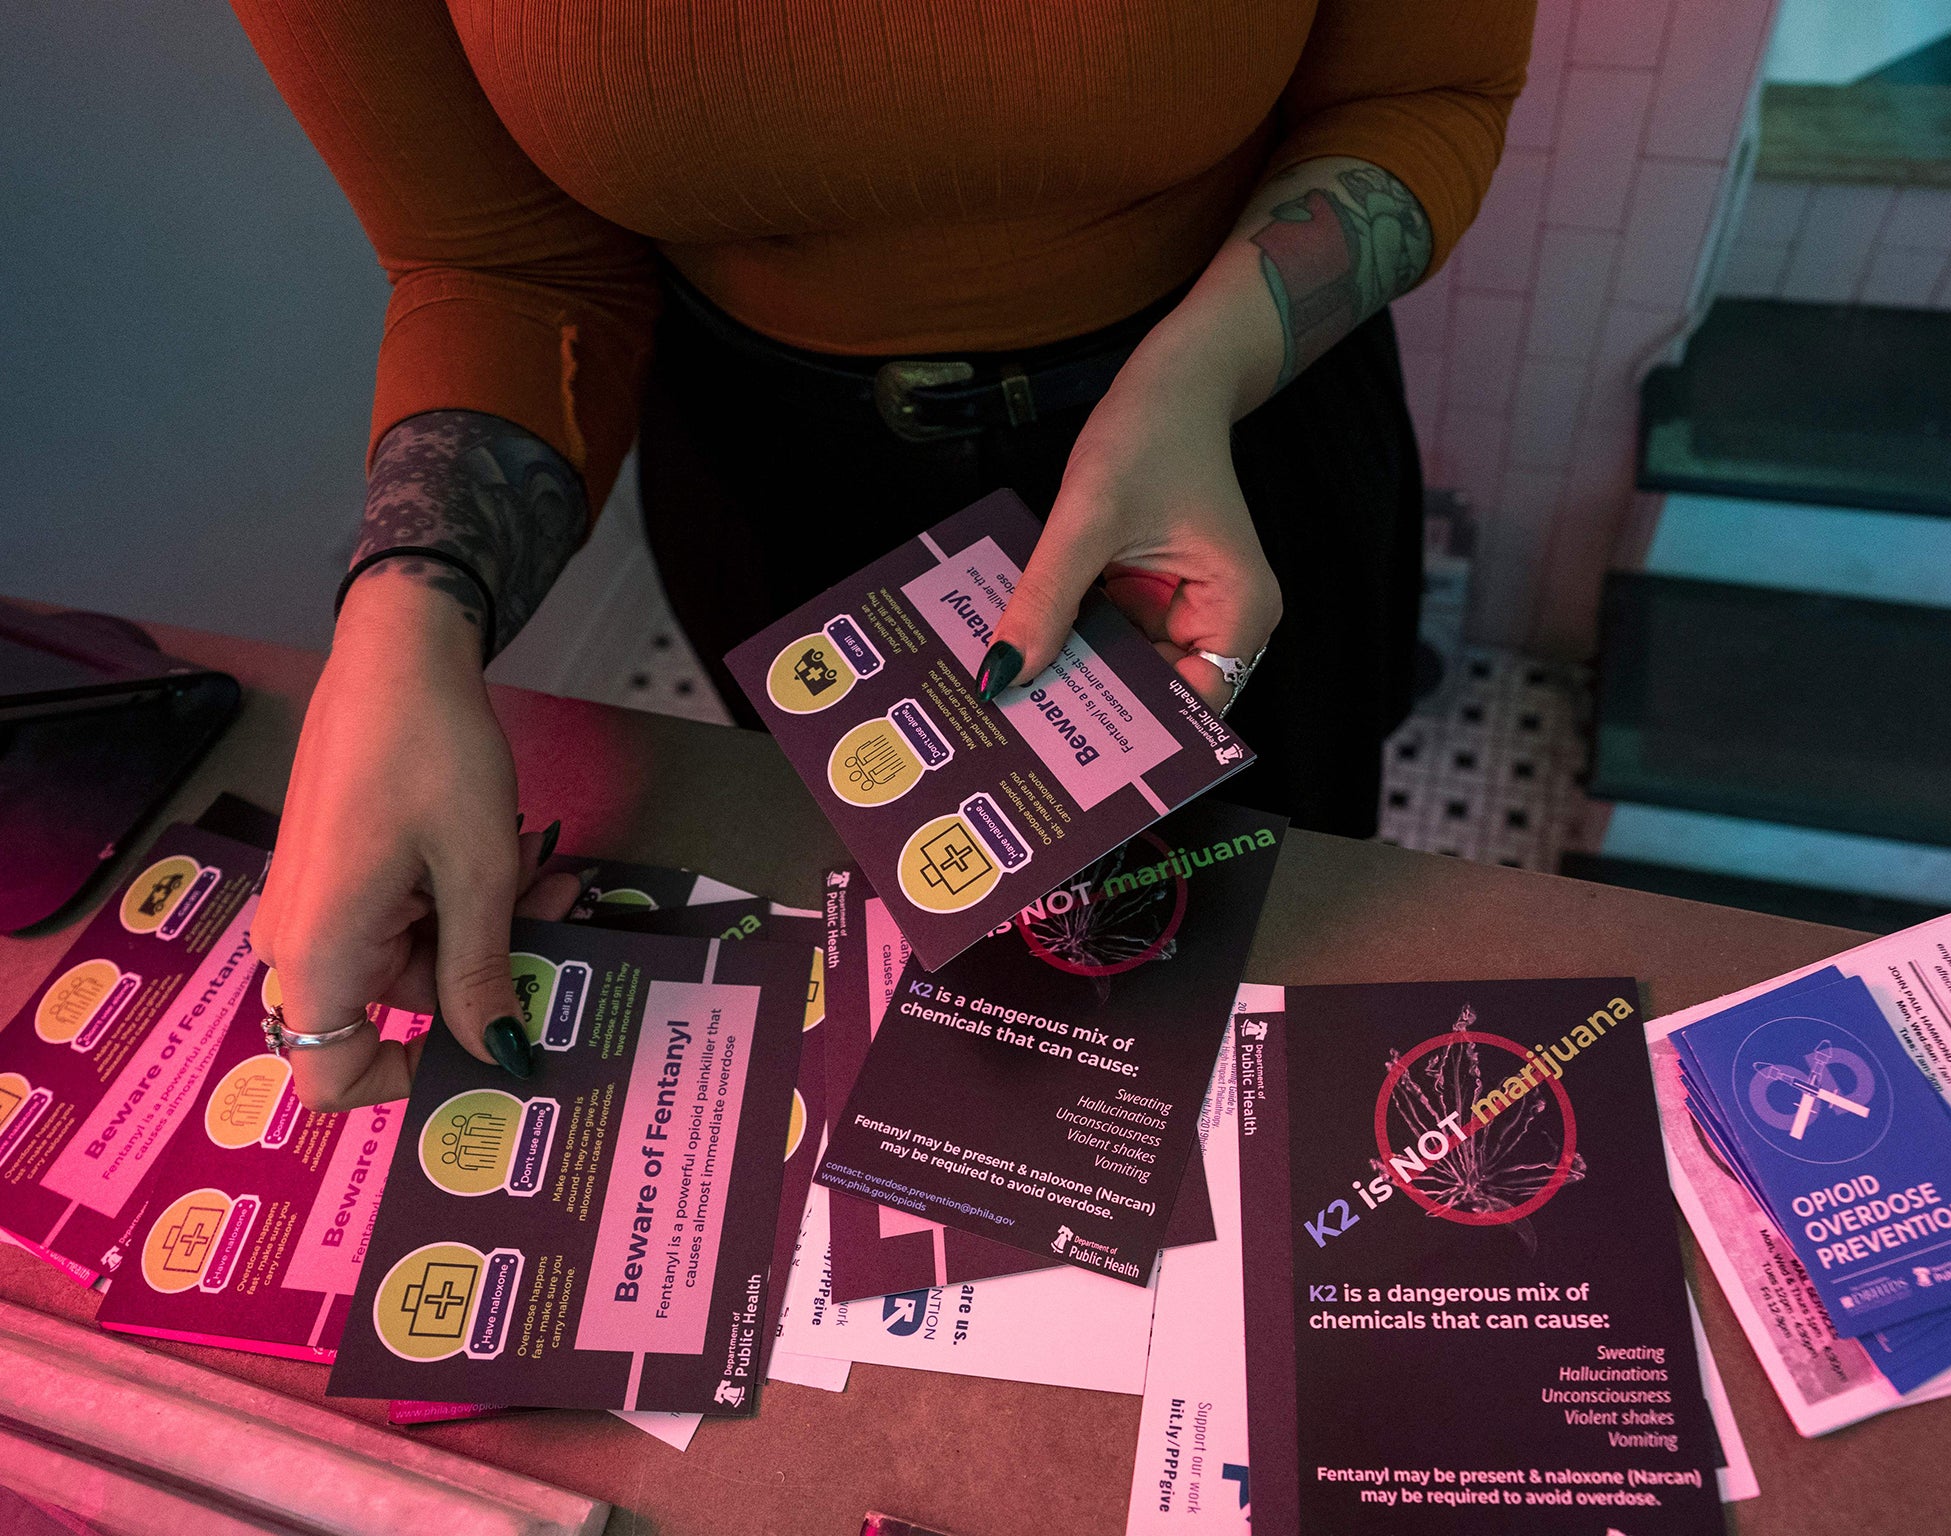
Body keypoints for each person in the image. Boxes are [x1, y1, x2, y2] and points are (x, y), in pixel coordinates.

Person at [234, 0, 1535, 1109]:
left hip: (1228, 445)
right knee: (932, 994)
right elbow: (496, 261)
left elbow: (1423, 89)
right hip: (780, 500)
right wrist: (403, 626)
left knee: (1276, 966)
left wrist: (1203, 372)